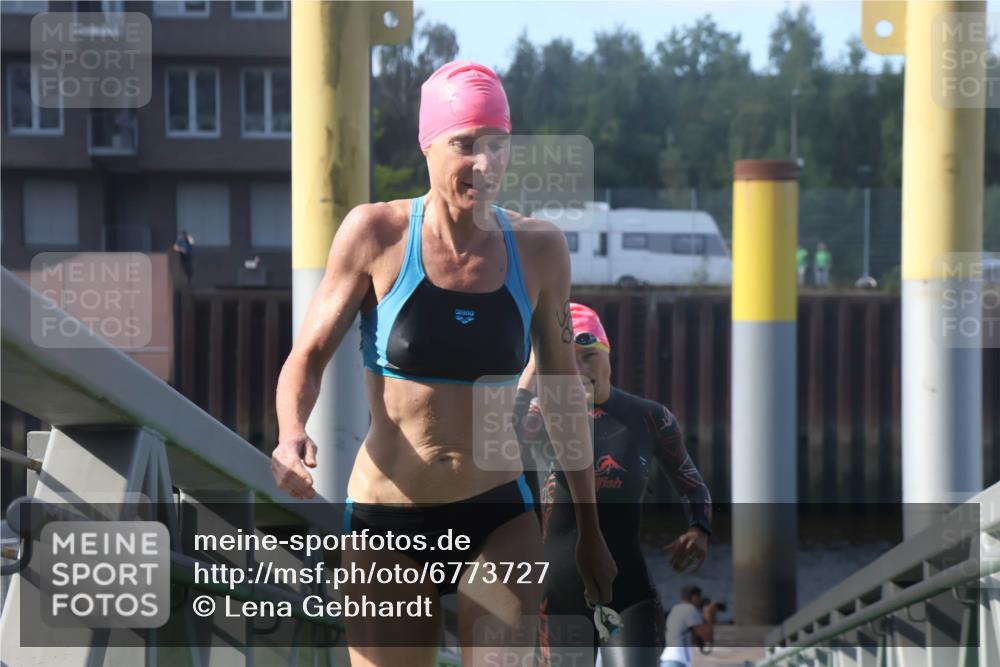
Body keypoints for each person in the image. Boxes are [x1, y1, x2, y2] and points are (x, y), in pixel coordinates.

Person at [271, 61, 616, 667]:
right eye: (465, 145)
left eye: (498, 146)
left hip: (496, 511)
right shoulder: (375, 234)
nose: (485, 165)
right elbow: (307, 358)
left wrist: (590, 531)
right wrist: (291, 433)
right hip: (388, 516)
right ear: (427, 144)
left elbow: (564, 395)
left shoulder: (539, 250)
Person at [514, 303, 712, 667]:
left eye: (589, 356)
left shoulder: (650, 419)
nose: (577, 370)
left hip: (627, 592)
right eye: (564, 360)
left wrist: (700, 529)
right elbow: (494, 448)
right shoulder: (536, 419)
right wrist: (531, 371)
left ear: (609, 355)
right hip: (556, 600)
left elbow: (693, 486)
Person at [660, 585, 717, 667]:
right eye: (699, 597)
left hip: (670, 659)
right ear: (694, 597)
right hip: (677, 661)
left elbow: (697, 640)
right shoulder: (690, 609)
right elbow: (707, 636)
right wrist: (708, 615)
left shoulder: (676, 608)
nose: (700, 600)